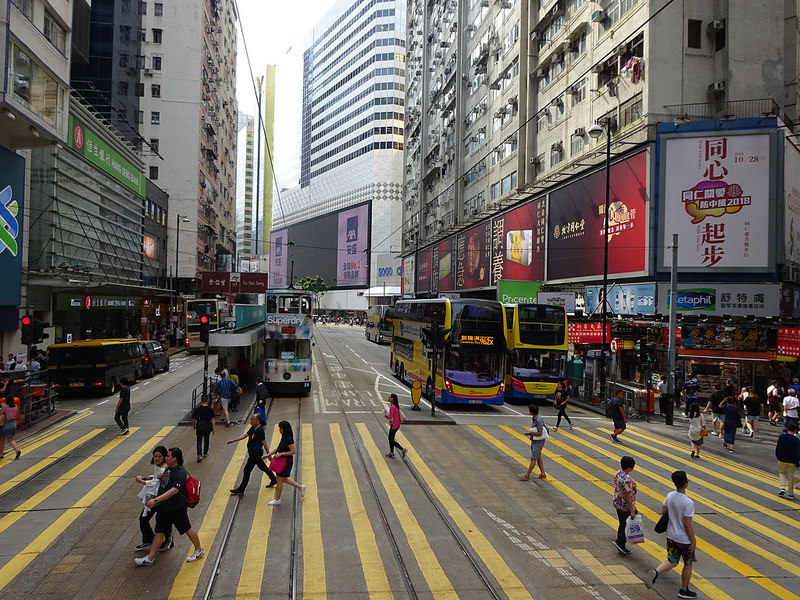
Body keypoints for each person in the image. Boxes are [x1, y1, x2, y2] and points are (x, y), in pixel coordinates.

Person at [134, 448, 204, 566]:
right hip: (165, 507)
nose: (166, 458)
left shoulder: (180, 472)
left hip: (176, 508)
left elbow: (174, 490)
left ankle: (199, 550)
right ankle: (151, 558)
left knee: (187, 529)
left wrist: (156, 500)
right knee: (159, 531)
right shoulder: (168, 468)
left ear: (175, 458)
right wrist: (161, 477)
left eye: (168, 456)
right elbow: (166, 483)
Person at [646, 470, 697, 599]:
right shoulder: (688, 502)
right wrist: (693, 540)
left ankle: (656, 572)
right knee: (688, 563)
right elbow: (687, 524)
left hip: (671, 535)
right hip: (684, 539)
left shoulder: (670, 496)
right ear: (686, 484)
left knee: (672, 560)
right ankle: (684, 590)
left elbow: (664, 511)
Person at [134, 446, 172, 552]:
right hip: (154, 499)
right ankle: (151, 540)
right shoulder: (159, 467)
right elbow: (155, 478)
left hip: (158, 500)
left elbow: (155, 483)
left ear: (164, 457)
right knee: (147, 519)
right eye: (155, 456)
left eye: (160, 456)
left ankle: (159, 541)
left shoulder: (164, 468)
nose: (157, 458)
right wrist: (147, 478)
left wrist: (141, 481)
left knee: (151, 520)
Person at [228, 413, 277, 494]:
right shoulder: (253, 428)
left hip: (255, 454)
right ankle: (273, 479)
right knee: (263, 467)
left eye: (252, 420)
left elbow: (264, 443)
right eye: (251, 419)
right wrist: (233, 440)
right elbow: (244, 435)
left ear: (257, 421)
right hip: (252, 454)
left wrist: (269, 455)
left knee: (246, 470)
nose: (251, 421)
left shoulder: (260, 431)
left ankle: (241, 489)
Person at [265, 420, 305, 506]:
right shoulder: (284, 436)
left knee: (279, 480)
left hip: (285, 462)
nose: (279, 430)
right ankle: (300, 487)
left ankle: (277, 499)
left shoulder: (289, 438)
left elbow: (293, 451)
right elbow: (278, 448)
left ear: (284, 429)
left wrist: (281, 454)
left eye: (280, 428)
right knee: (284, 479)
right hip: (282, 461)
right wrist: (269, 454)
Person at [612, 455, 637, 555]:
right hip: (624, 504)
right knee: (627, 524)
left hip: (617, 501)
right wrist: (632, 510)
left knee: (622, 523)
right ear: (631, 467)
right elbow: (627, 496)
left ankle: (621, 545)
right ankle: (619, 541)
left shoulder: (618, 473)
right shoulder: (627, 479)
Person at [519, 404, 548, 480]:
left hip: (538, 441)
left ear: (531, 412)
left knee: (533, 459)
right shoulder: (535, 418)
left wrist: (530, 433)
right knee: (538, 456)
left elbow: (540, 433)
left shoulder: (538, 420)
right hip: (536, 440)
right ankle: (543, 473)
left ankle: (527, 475)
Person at [776, 421, 800, 499]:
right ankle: (790, 493)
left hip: (781, 459)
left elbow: (778, 447)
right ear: (796, 430)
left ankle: (782, 487)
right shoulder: (796, 440)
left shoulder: (782, 437)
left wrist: (777, 456)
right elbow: (797, 453)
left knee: (782, 473)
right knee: (790, 477)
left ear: (787, 428)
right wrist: (797, 463)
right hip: (791, 461)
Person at [192, 394, 216, 462]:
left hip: (199, 426)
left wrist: (194, 425)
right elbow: (213, 420)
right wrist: (214, 429)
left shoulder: (197, 409)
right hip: (207, 427)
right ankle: (205, 452)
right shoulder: (210, 410)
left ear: (201, 400)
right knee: (206, 439)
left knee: (199, 441)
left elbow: (193, 418)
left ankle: (199, 454)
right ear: (207, 400)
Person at [384, 393, 407, 459]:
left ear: (392, 399)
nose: (388, 398)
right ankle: (392, 452)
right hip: (396, 424)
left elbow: (390, 416)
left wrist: (386, 416)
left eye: (389, 397)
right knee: (390, 438)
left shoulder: (393, 407)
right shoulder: (394, 406)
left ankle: (403, 449)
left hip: (394, 425)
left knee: (391, 439)